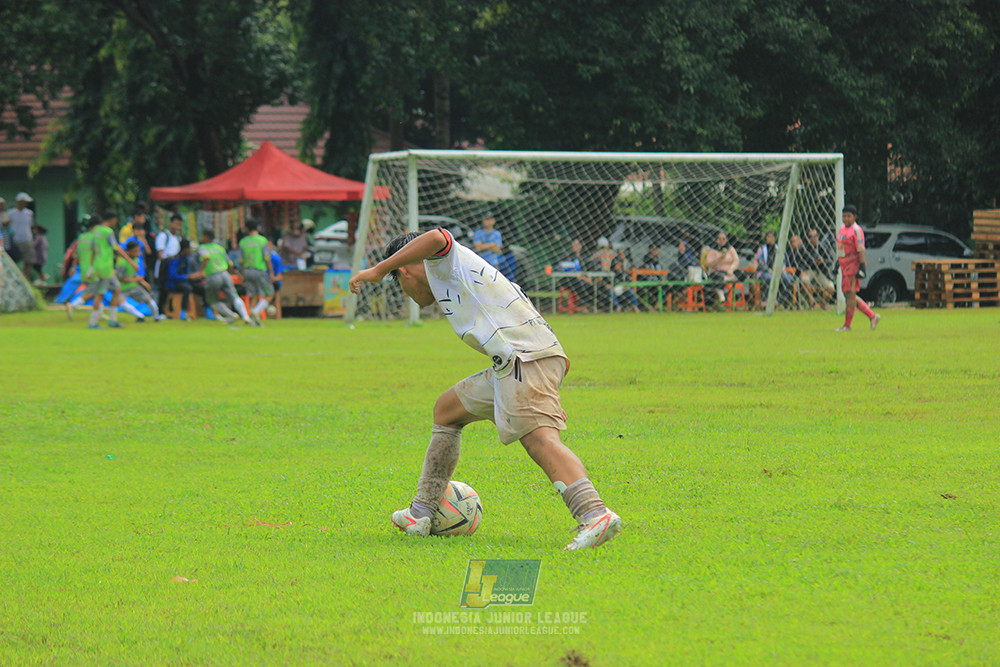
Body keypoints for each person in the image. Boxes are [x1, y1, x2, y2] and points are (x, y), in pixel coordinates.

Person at [348, 228, 622, 551]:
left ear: (404, 270)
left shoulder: (443, 262)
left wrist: (378, 269)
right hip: (518, 362)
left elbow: (437, 237)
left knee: (540, 440)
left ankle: (594, 513)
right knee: (447, 410)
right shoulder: (454, 273)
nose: (406, 293)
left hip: (523, 360)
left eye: (398, 282)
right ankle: (420, 513)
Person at [835, 205, 881, 332]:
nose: (846, 219)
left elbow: (861, 249)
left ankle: (847, 325)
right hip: (844, 265)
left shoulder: (856, 230)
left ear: (855, 217)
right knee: (848, 294)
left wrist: (862, 266)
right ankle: (872, 316)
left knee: (850, 295)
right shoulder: (842, 229)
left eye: (849, 216)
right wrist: (837, 263)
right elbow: (841, 249)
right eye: (844, 216)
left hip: (853, 266)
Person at [199, 228, 252, 325]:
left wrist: (200, 271)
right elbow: (230, 264)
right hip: (225, 274)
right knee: (234, 295)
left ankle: (231, 315)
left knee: (212, 300)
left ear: (206, 237)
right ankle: (245, 316)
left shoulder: (203, 247)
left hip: (213, 275)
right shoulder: (220, 248)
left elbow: (206, 258)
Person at [239, 219, 275, 326]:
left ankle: (253, 320)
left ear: (247, 229)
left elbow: (241, 260)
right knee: (269, 295)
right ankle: (256, 311)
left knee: (253, 295)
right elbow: (266, 258)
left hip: (247, 271)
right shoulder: (262, 241)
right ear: (258, 228)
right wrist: (271, 272)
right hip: (259, 270)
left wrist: (242, 273)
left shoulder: (243, 242)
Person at [116, 240, 160, 322]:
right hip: (123, 289)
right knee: (122, 303)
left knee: (149, 300)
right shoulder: (123, 263)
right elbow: (120, 278)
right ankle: (140, 316)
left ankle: (156, 317)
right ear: (128, 252)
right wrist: (135, 280)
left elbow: (133, 274)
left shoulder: (136, 261)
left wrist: (143, 282)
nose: (137, 253)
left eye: (138, 251)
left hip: (134, 287)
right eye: (135, 251)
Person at [155, 213, 184, 316]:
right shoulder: (163, 236)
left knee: (170, 289)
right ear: (171, 223)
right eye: (176, 224)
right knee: (163, 290)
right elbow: (160, 254)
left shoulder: (178, 238)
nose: (177, 227)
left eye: (179, 225)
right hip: (164, 267)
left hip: (173, 268)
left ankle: (169, 311)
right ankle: (159, 311)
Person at [800, 228, 836, 308]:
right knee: (804, 279)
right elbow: (799, 262)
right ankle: (811, 302)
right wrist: (803, 270)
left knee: (831, 287)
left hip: (821, 272)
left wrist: (823, 261)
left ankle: (822, 304)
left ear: (818, 236)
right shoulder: (803, 248)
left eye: (814, 236)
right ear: (807, 238)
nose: (813, 238)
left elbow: (830, 261)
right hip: (809, 271)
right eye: (810, 237)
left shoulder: (823, 247)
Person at [703, 232, 741, 307]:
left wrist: (731, 269)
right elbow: (708, 264)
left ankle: (727, 279)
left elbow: (736, 260)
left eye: (723, 239)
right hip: (716, 272)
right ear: (716, 240)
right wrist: (719, 258)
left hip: (729, 272)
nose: (721, 240)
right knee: (718, 276)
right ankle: (722, 295)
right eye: (719, 239)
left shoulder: (730, 249)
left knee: (742, 273)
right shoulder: (712, 250)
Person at [166, 240, 199, 320]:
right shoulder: (176, 260)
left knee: (201, 287)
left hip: (185, 282)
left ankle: (207, 311)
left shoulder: (186, 259)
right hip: (174, 284)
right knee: (187, 289)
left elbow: (187, 273)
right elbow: (172, 276)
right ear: (185, 249)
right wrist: (186, 277)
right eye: (189, 248)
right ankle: (183, 312)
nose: (190, 251)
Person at [9, 193, 36, 281]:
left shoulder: (29, 213)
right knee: (14, 262)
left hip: (27, 239)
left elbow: (31, 226)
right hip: (15, 240)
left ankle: (26, 280)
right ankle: (15, 280)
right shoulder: (10, 213)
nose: (26, 204)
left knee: (28, 261)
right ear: (20, 202)